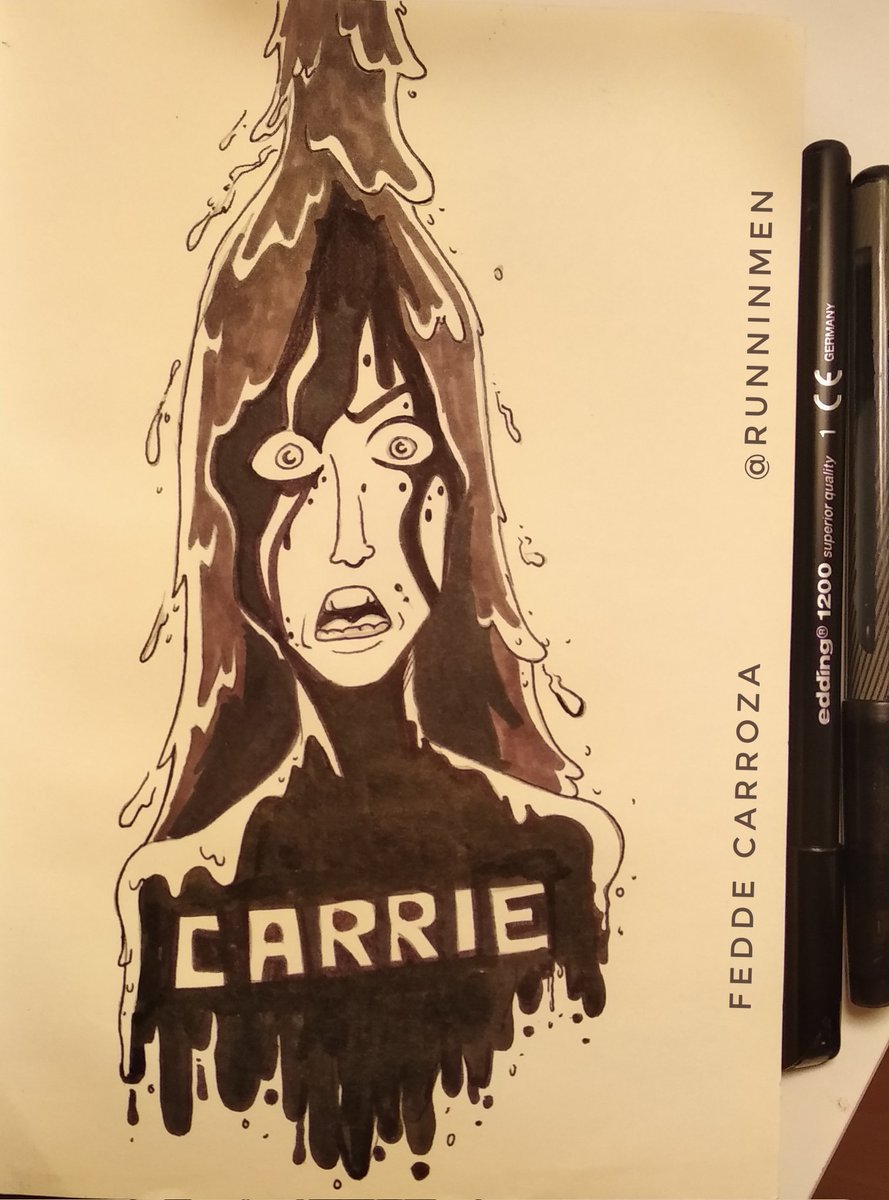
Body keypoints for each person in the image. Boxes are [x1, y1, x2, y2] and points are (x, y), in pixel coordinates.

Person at [116, 1, 621, 1179]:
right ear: (224, 517)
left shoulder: (557, 853)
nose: (351, 541)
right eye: (294, 464)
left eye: (397, 454)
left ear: (454, 495)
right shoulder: (182, 898)